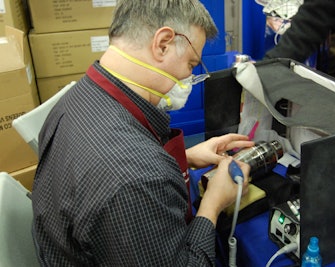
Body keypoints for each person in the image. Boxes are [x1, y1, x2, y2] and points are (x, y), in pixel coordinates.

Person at [31, 1, 254, 266]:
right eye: (191, 64)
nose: (189, 76)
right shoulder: (136, 178)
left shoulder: (76, 98)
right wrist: (213, 205)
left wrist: (183, 156)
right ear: (163, 44)